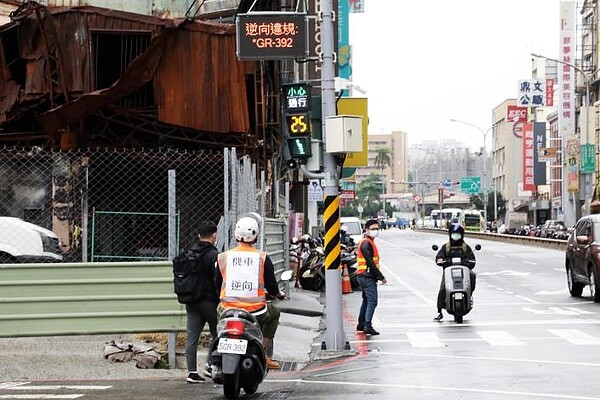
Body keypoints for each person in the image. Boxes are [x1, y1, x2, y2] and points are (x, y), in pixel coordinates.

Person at [215, 216, 285, 370]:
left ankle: (217, 348)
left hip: (228, 309)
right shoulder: (262, 258)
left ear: (235, 235)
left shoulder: (223, 257)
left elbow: (217, 284)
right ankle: (264, 353)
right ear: (256, 236)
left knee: (218, 318)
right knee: (275, 314)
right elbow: (272, 286)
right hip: (256, 311)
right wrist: (277, 294)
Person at [185, 221, 220, 384]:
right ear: (214, 236)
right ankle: (210, 364)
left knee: (192, 337)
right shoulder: (213, 254)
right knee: (218, 333)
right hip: (208, 301)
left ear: (199, 235)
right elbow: (217, 277)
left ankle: (192, 373)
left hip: (191, 299)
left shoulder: (189, 252)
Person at [433, 224, 476, 321]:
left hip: (464, 272)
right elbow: (439, 257)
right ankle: (439, 311)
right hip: (449, 273)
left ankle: (470, 293)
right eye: (454, 234)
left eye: (458, 234)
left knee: (472, 275)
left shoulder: (466, 247)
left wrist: (469, 262)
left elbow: (472, 259)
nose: (456, 236)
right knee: (443, 288)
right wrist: (440, 260)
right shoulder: (446, 247)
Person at [355, 219, 387, 335]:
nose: (376, 231)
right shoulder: (366, 243)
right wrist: (381, 277)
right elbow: (370, 263)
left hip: (363, 275)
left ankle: (361, 324)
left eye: (377, 229)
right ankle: (367, 325)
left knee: (367, 300)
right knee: (372, 301)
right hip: (367, 276)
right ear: (367, 230)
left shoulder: (368, 242)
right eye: (373, 229)